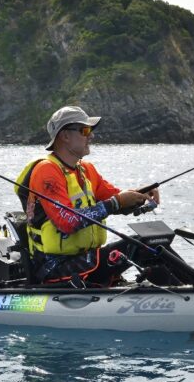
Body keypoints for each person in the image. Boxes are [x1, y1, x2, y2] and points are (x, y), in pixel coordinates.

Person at [14, 105, 169, 286]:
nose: (91, 136)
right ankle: (186, 294)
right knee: (142, 245)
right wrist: (116, 203)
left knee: (153, 241)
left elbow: (116, 197)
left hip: (86, 259)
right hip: (55, 266)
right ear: (65, 136)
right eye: (85, 130)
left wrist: (141, 194)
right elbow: (67, 222)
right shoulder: (47, 171)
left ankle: (189, 286)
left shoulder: (86, 169)